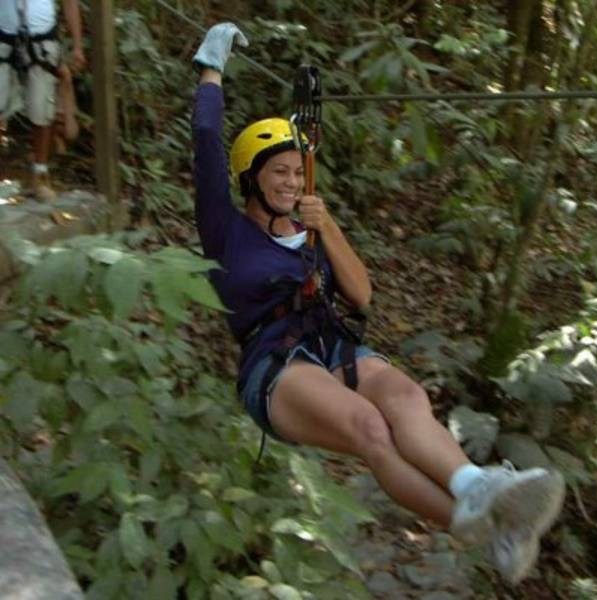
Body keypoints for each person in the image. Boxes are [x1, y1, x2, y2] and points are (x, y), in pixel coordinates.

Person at [191, 22, 566, 585]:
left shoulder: (312, 231)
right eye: (279, 172)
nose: (292, 182)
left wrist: (329, 225)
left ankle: (476, 487)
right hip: (273, 364)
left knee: (406, 396)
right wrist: (211, 70)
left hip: (332, 346)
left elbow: (361, 294)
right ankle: (487, 533)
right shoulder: (226, 231)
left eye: (297, 172)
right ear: (251, 179)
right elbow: (204, 139)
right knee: (370, 427)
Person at [0, 0, 86, 200]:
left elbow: (70, 3)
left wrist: (78, 46)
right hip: (4, 35)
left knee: (42, 109)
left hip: (42, 37)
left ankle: (41, 174)